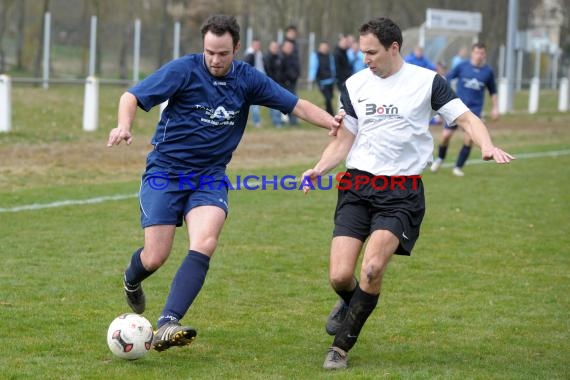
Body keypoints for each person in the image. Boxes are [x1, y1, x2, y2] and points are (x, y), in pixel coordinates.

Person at [106, 14, 339, 353]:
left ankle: (168, 323)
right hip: (166, 172)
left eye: (223, 53)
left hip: (210, 176)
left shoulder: (247, 79)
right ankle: (132, 279)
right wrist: (123, 125)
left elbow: (296, 104)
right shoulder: (184, 70)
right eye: (209, 52)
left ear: (237, 49)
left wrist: (331, 122)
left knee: (206, 241)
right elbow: (131, 96)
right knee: (155, 256)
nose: (215, 60)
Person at [301, 17, 513, 370]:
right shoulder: (354, 85)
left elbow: (467, 119)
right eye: (361, 51)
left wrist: (486, 145)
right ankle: (352, 303)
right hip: (357, 186)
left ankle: (340, 348)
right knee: (340, 276)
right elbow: (345, 138)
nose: (365, 58)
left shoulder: (427, 83)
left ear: (394, 47)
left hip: (401, 190)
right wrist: (319, 168)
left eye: (371, 52)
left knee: (370, 269)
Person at [431, 42, 499, 176]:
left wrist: (495, 108)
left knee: (469, 139)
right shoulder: (462, 66)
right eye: (477, 52)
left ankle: (458, 167)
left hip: (474, 110)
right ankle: (440, 158)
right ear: (472, 53)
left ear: (484, 54)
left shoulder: (488, 72)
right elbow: (447, 79)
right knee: (445, 136)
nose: (479, 55)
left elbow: (493, 91)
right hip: (457, 108)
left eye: (482, 53)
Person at [309, 41, 336, 115]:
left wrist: (334, 77)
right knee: (328, 98)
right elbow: (313, 67)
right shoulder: (315, 56)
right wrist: (311, 77)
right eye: (322, 47)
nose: (324, 49)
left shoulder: (330, 56)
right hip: (321, 81)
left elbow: (332, 67)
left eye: (325, 47)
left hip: (330, 81)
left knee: (330, 97)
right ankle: (331, 114)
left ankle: (327, 111)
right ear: (319, 48)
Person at [243, 38, 265, 128]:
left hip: (260, 79)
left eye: (258, 45)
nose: (257, 46)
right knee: (254, 102)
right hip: (251, 81)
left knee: (257, 102)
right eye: (255, 44)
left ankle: (255, 119)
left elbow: (261, 67)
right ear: (252, 45)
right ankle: (257, 122)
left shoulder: (259, 54)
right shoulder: (249, 54)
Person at [279, 39, 301, 125]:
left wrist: (294, 77)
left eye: (291, 47)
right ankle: (282, 121)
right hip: (282, 84)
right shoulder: (279, 57)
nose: (289, 48)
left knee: (294, 103)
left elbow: (297, 70)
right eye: (287, 47)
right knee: (281, 103)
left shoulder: (294, 58)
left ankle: (293, 121)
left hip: (292, 84)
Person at [263, 41, 285, 128]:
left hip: (279, 83)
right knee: (274, 103)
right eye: (273, 47)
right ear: (270, 48)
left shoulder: (280, 57)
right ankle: (276, 122)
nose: (275, 49)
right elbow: (267, 71)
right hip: (271, 84)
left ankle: (278, 120)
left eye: (276, 47)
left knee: (279, 103)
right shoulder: (267, 58)